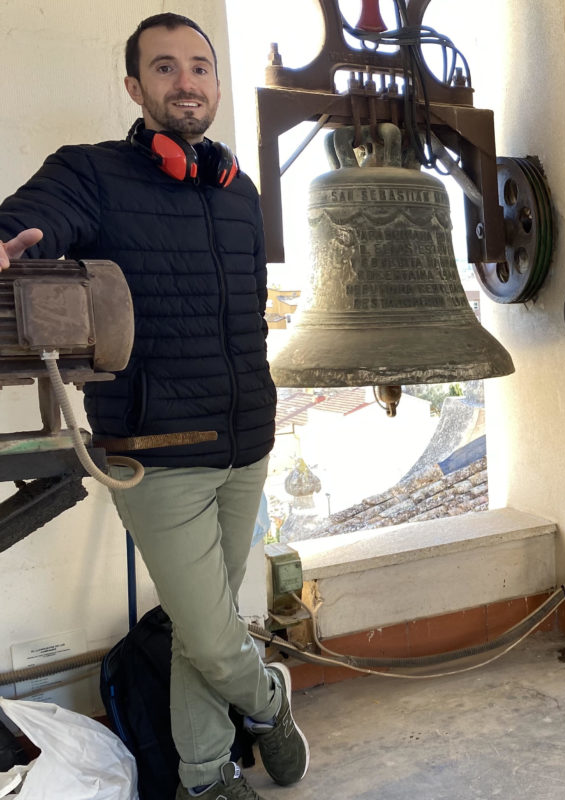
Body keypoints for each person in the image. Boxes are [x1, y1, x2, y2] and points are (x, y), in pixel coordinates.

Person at [0, 13, 309, 799]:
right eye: (165, 68)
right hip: (158, 446)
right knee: (210, 632)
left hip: (248, 440)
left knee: (191, 630)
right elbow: (31, 223)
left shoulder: (241, 196)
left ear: (214, 83)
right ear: (136, 88)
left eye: (200, 67)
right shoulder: (92, 174)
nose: (187, 82)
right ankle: (270, 701)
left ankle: (204, 776)